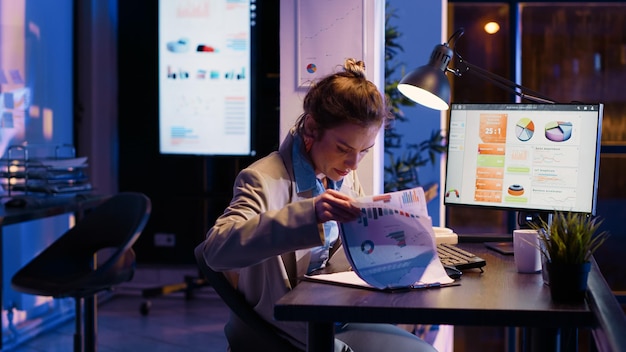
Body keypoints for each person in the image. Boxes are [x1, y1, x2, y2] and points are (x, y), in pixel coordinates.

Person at [197, 59, 436, 352]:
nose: (353, 163)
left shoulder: (343, 176)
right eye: (344, 149)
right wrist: (308, 215)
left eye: (364, 151)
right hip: (280, 326)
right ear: (311, 126)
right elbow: (215, 251)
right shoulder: (261, 178)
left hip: (331, 310)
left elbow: (345, 257)